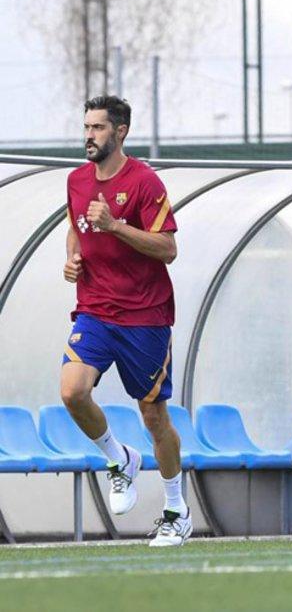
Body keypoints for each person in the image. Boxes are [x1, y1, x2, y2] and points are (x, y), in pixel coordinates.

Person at [61, 95, 191, 547]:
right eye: (86, 127)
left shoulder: (144, 182)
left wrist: (116, 226)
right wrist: (72, 260)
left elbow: (168, 248)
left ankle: (176, 509)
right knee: (71, 390)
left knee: (154, 416)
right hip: (95, 309)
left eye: (97, 128)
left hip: (145, 316)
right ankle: (119, 460)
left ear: (120, 132)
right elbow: (76, 228)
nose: (88, 136)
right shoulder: (76, 180)